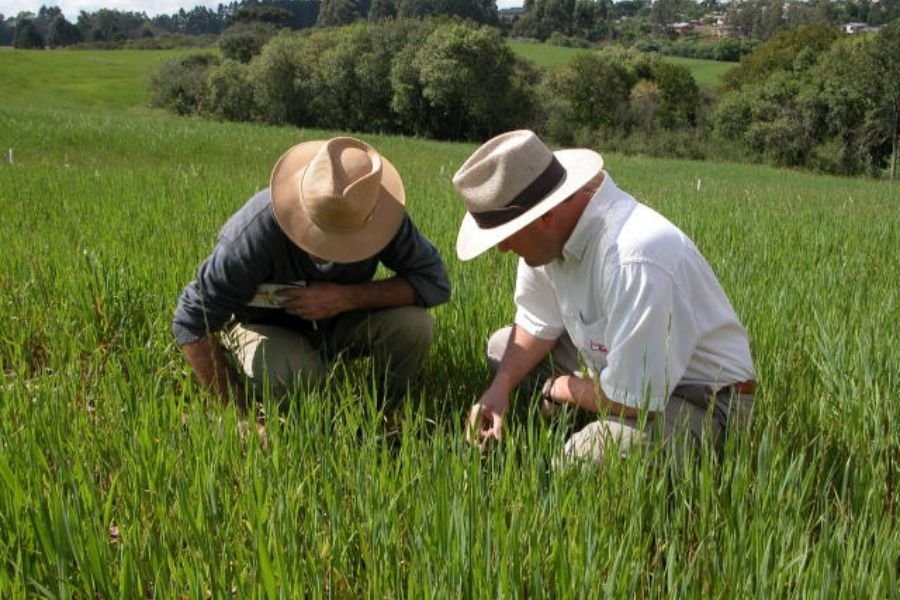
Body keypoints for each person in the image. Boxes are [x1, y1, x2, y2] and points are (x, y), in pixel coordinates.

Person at [452, 130, 755, 465]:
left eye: (507, 235)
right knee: (502, 349)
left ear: (545, 217)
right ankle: (587, 413)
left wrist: (564, 387)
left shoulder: (635, 256)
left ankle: (590, 428)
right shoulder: (545, 243)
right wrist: (499, 389)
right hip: (617, 374)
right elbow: (536, 322)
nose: (502, 247)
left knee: (582, 460)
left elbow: (637, 402)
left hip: (701, 401)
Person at [173, 136, 451, 415]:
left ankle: (379, 415)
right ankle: (305, 405)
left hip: (343, 320)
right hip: (266, 326)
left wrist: (345, 298)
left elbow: (434, 282)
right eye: (321, 236)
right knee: (296, 376)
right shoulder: (254, 232)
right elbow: (193, 318)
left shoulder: (376, 213)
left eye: (348, 239)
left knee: (415, 327)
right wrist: (238, 416)